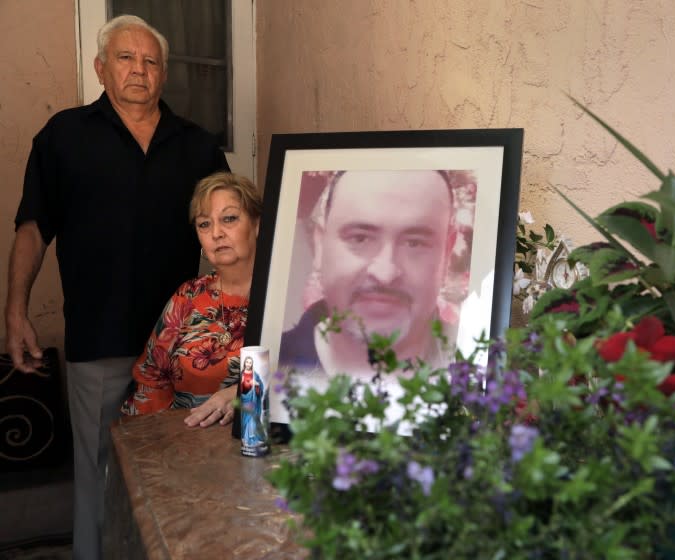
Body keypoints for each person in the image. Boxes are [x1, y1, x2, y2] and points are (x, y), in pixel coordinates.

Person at [4, 15, 228, 559]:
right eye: (126, 58)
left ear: (164, 75)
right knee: (99, 474)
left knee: (178, 478)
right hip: (98, 343)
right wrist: (15, 311)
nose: (139, 70)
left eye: (151, 61)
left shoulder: (195, 146)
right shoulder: (64, 136)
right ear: (102, 68)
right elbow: (33, 227)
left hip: (183, 349)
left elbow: (231, 233)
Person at [279, 169, 458, 381]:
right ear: (320, 245)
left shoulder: (480, 373)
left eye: (414, 243)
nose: (385, 273)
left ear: (446, 254)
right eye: (360, 238)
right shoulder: (271, 366)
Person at [122, 172, 262, 429]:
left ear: (257, 224)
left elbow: (309, 375)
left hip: (266, 445)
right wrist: (153, 445)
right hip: (187, 443)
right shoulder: (189, 296)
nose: (216, 233)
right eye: (204, 224)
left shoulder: (286, 297)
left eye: (229, 219)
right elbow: (150, 379)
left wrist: (240, 391)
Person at [239, 356, 268, 452]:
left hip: (254, 400)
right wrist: (250, 383)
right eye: (247, 362)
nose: (248, 364)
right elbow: (241, 386)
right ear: (244, 363)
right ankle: (247, 439)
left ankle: (254, 439)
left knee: (253, 418)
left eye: (250, 362)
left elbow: (260, 385)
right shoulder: (242, 374)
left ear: (252, 364)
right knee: (247, 420)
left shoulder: (255, 374)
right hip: (246, 399)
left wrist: (257, 385)